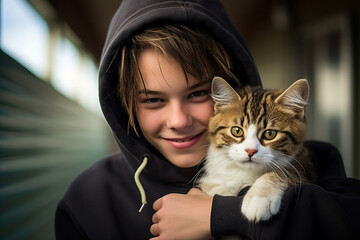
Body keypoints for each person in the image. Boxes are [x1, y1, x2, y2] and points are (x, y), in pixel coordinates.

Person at [55, 0, 360, 239]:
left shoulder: (319, 159)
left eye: (198, 94)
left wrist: (226, 216)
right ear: (124, 105)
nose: (177, 120)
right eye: (153, 99)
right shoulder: (86, 201)